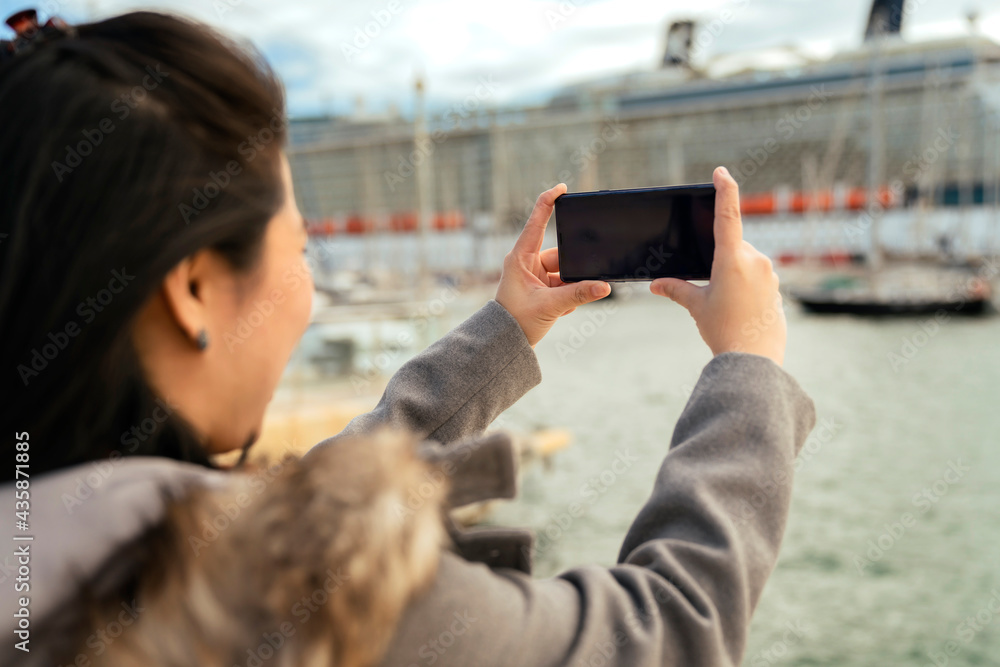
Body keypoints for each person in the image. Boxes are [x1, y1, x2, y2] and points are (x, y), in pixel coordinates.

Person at [0, 11, 815, 667]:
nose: (308, 288)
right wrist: (749, 365)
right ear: (195, 290)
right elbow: (671, 634)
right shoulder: (296, 585)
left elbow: (293, 499)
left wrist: (508, 329)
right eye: (300, 247)